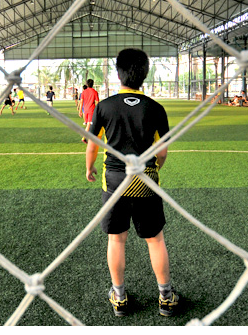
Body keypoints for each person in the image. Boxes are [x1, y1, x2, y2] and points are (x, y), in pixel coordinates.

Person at [85, 48, 178, 317]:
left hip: (114, 182)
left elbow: (92, 144)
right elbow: (162, 151)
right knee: (155, 239)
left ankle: (120, 297)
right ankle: (166, 298)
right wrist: (155, 169)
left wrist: (89, 168)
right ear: (145, 74)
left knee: (117, 239)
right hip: (146, 180)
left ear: (118, 73)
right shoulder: (156, 108)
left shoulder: (104, 107)